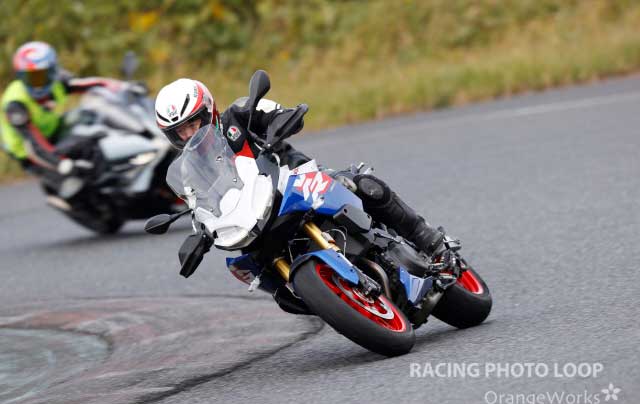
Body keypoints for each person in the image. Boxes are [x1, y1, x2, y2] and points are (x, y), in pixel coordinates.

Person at [154, 78, 445, 258]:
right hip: (255, 219)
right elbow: (201, 207)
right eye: (179, 131)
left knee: (361, 184)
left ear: (209, 111)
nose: (188, 134)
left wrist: (284, 119)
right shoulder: (189, 171)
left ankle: (424, 236)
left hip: (299, 180)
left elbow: (278, 113)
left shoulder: (240, 114)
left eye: (193, 123)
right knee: (249, 265)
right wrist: (201, 234)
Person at [0, 41, 131, 181]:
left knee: (90, 121)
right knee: (72, 182)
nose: (37, 84)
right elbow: (33, 146)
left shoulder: (58, 80)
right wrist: (62, 164)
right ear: (21, 77)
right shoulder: (15, 105)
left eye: (42, 76)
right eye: (30, 78)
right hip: (30, 153)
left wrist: (122, 86)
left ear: (53, 71)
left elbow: (85, 83)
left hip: (52, 130)